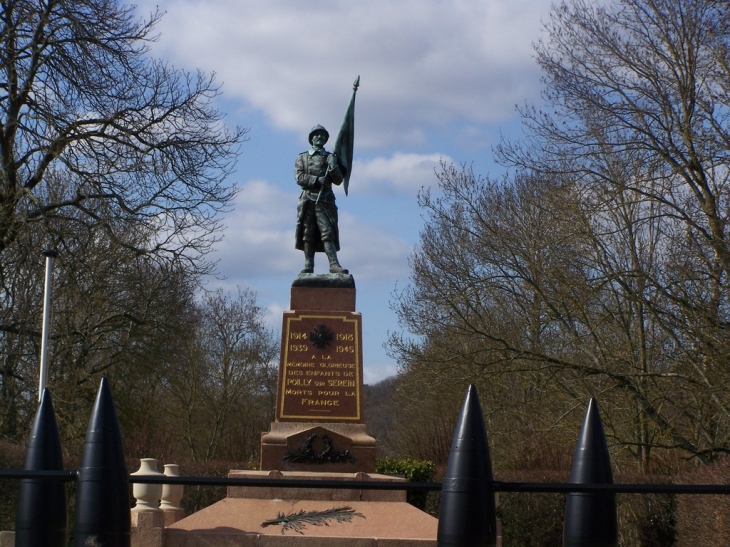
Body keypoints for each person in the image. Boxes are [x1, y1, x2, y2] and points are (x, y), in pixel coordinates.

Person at [294, 125, 348, 274]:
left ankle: (333, 264)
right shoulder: (302, 157)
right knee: (308, 233)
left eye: (322, 135)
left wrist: (332, 166)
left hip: (325, 201)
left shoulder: (330, 157)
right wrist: (317, 180)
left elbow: (338, 180)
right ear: (311, 138)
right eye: (316, 135)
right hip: (308, 200)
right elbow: (299, 178)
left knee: (327, 232)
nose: (319, 137)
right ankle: (308, 264)